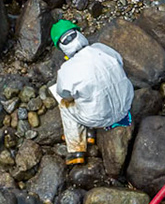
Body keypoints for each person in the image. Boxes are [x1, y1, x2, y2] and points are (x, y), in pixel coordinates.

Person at [48, 20, 134, 166]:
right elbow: (120, 62)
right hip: (126, 105)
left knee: (65, 106)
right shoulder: (102, 48)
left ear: (61, 47)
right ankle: (89, 134)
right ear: (79, 34)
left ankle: (76, 149)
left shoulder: (67, 70)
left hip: (100, 118)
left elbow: (64, 94)